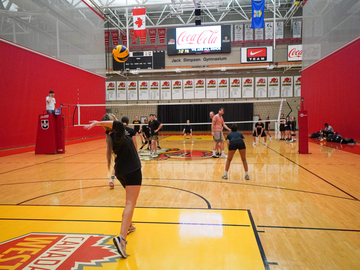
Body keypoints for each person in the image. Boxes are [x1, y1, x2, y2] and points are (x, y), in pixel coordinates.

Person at [84, 113, 141, 259]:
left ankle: (129, 225)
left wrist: (101, 124)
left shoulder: (111, 136)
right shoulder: (118, 132)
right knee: (130, 203)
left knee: (130, 201)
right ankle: (122, 238)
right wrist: (97, 122)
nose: (116, 119)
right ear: (112, 121)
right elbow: (120, 125)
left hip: (121, 172)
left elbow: (118, 126)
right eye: (114, 118)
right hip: (132, 170)